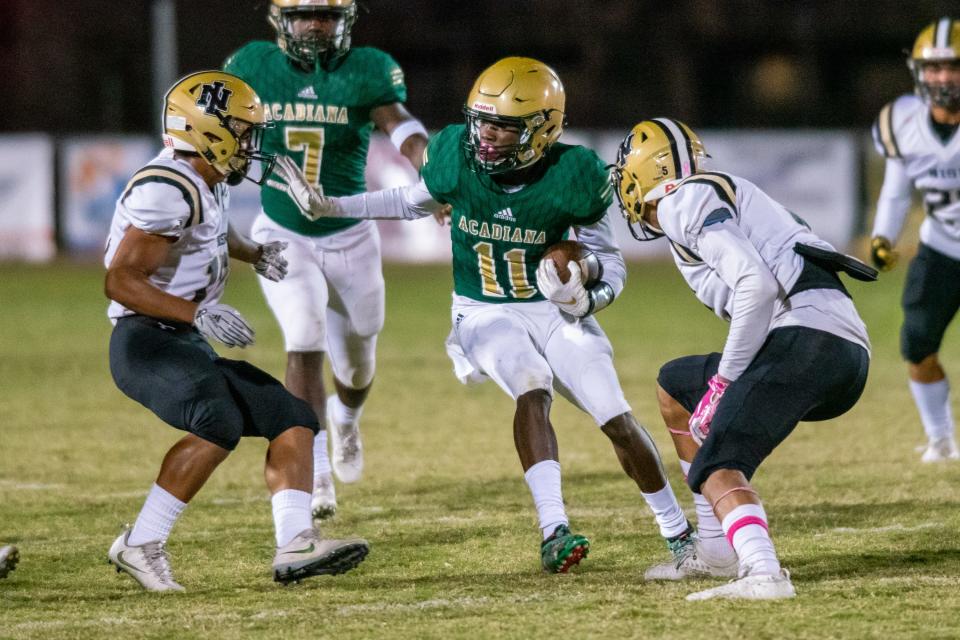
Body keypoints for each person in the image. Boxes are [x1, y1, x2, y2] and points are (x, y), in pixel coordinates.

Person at [271, 57, 694, 574]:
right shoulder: (456, 158)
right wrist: (329, 207)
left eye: (502, 126)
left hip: (553, 310)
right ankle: (553, 529)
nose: (486, 136)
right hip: (483, 310)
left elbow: (609, 264)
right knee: (530, 384)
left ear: (542, 129)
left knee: (617, 418)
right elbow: (411, 201)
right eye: (481, 122)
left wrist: (588, 297)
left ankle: (679, 535)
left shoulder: (575, 174)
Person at [103, 71, 368, 592]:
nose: (252, 145)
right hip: (145, 341)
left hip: (181, 340)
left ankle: (296, 542)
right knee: (217, 420)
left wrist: (254, 253)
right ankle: (141, 542)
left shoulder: (203, 179)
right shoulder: (166, 190)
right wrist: (195, 313)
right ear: (209, 132)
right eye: (244, 133)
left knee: (293, 414)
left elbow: (211, 230)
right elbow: (120, 280)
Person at [611, 118, 873, 599]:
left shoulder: (680, 201)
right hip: (837, 349)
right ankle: (716, 553)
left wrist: (725, 383)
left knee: (717, 460)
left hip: (809, 337)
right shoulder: (713, 195)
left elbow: (756, 283)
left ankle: (763, 572)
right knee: (675, 386)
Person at [224, 0, 430, 519]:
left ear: (346, 21)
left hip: (351, 235)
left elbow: (398, 123)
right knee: (304, 332)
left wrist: (430, 166)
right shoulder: (251, 65)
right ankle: (314, 473)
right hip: (283, 228)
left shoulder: (367, 69)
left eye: (327, 16)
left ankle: (347, 422)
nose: (316, 25)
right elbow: (218, 121)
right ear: (280, 20)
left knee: (358, 364)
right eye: (305, 14)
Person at [870, 17, 960, 463]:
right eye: (935, 68)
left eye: (953, 67)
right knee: (917, 343)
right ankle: (941, 439)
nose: (943, 77)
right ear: (919, 72)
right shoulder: (903, 121)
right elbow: (896, 188)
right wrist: (884, 235)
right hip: (942, 247)